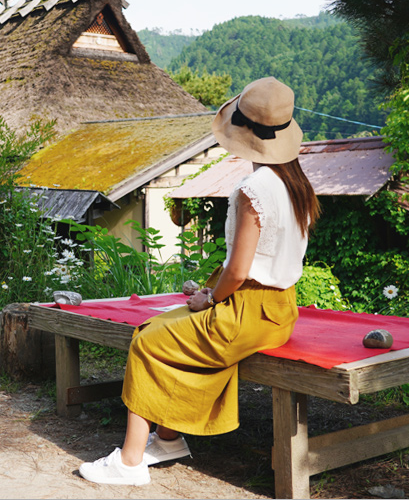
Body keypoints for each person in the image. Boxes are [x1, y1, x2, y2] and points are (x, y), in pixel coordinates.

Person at [78, 76, 320, 486]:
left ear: (242, 133)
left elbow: (240, 271)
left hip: (244, 313)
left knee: (148, 339)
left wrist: (209, 300)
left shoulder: (254, 189)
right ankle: (169, 439)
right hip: (279, 311)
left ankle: (131, 461)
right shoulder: (295, 184)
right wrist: (211, 292)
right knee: (170, 327)